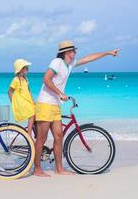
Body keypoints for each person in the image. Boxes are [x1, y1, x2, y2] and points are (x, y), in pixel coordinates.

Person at [34, 40, 120, 177]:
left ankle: (59, 169)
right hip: (45, 103)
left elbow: (88, 59)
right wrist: (60, 94)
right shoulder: (57, 62)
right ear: (67, 52)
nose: (75, 52)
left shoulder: (70, 64)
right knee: (42, 138)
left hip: (55, 105)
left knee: (58, 137)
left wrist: (107, 53)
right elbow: (46, 79)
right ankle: (37, 169)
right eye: (73, 50)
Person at [8, 59, 35, 138]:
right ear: (21, 69)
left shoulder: (26, 79)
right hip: (21, 102)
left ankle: (34, 129)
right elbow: (9, 92)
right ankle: (29, 133)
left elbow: (29, 91)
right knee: (32, 114)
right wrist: (13, 103)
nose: (28, 69)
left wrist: (33, 101)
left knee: (36, 111)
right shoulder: (16, 80)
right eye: (26, 68)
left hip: (27, 100)